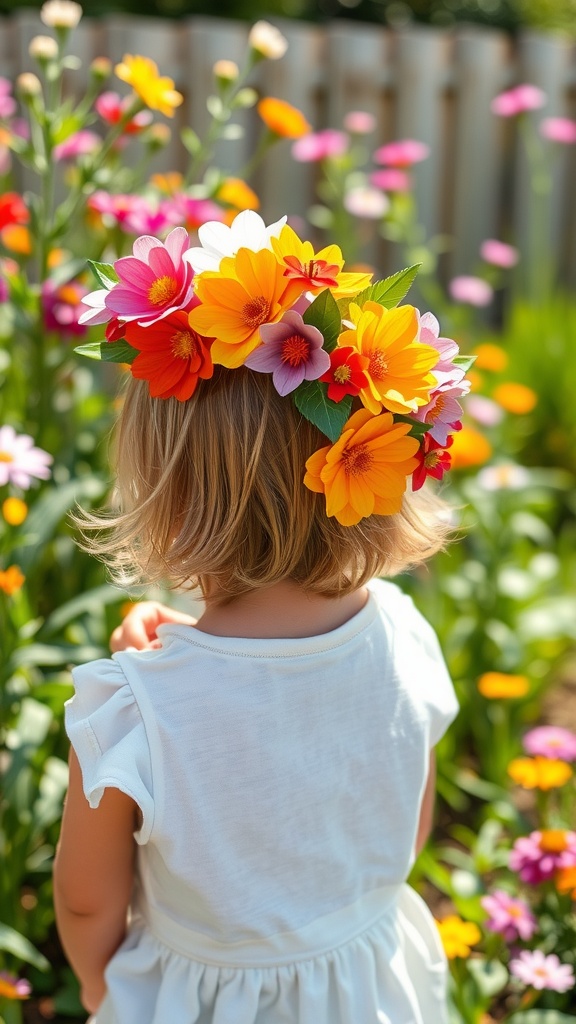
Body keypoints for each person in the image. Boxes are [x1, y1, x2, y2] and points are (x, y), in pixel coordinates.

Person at [53, 211, 464, 1024]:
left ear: (167, 496)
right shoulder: (403, 633)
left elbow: (87, 904)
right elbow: (407, 823)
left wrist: (107, 992)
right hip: (368, 984)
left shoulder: (136, 708)